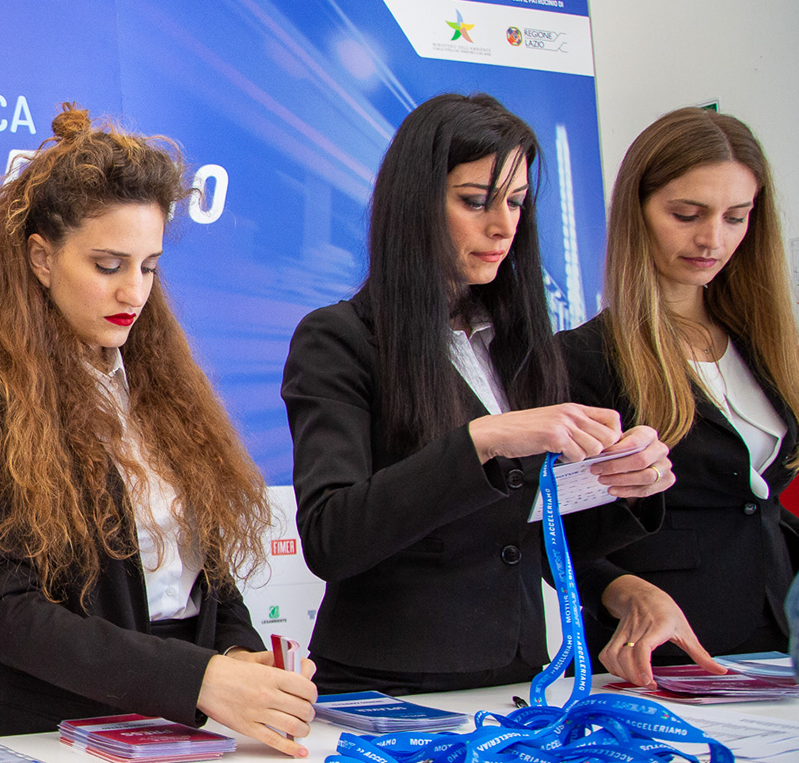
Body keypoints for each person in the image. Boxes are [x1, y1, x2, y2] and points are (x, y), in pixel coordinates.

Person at [0, 105, 317, 756]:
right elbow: (12, 617)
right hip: (56, 740)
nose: (134, 293)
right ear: (41, 258)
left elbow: (207, 577)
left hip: (187, 732)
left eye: (149, 266)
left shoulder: (165, 388)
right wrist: (200, 680)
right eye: (109, 265)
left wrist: (241, 658)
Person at [282, 92, 675, 695]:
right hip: (385, 687)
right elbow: (331, 537)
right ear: (414, 203)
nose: (503, 226)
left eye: (516, 202)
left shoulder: (524, 343)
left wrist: (624, 482)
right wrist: (482, 440)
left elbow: (534, 536)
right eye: (475, 201)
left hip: (519, 679)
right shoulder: (338, 338)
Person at [558, 108, 797, 683]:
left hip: (776, 636)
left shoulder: (769, 345)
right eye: (686, 215)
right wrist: (622, 590)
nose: (713, 239)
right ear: (636, 211)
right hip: (661, 651)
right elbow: (549, 530)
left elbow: (755, 498)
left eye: (736, 217)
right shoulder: (582, 358)